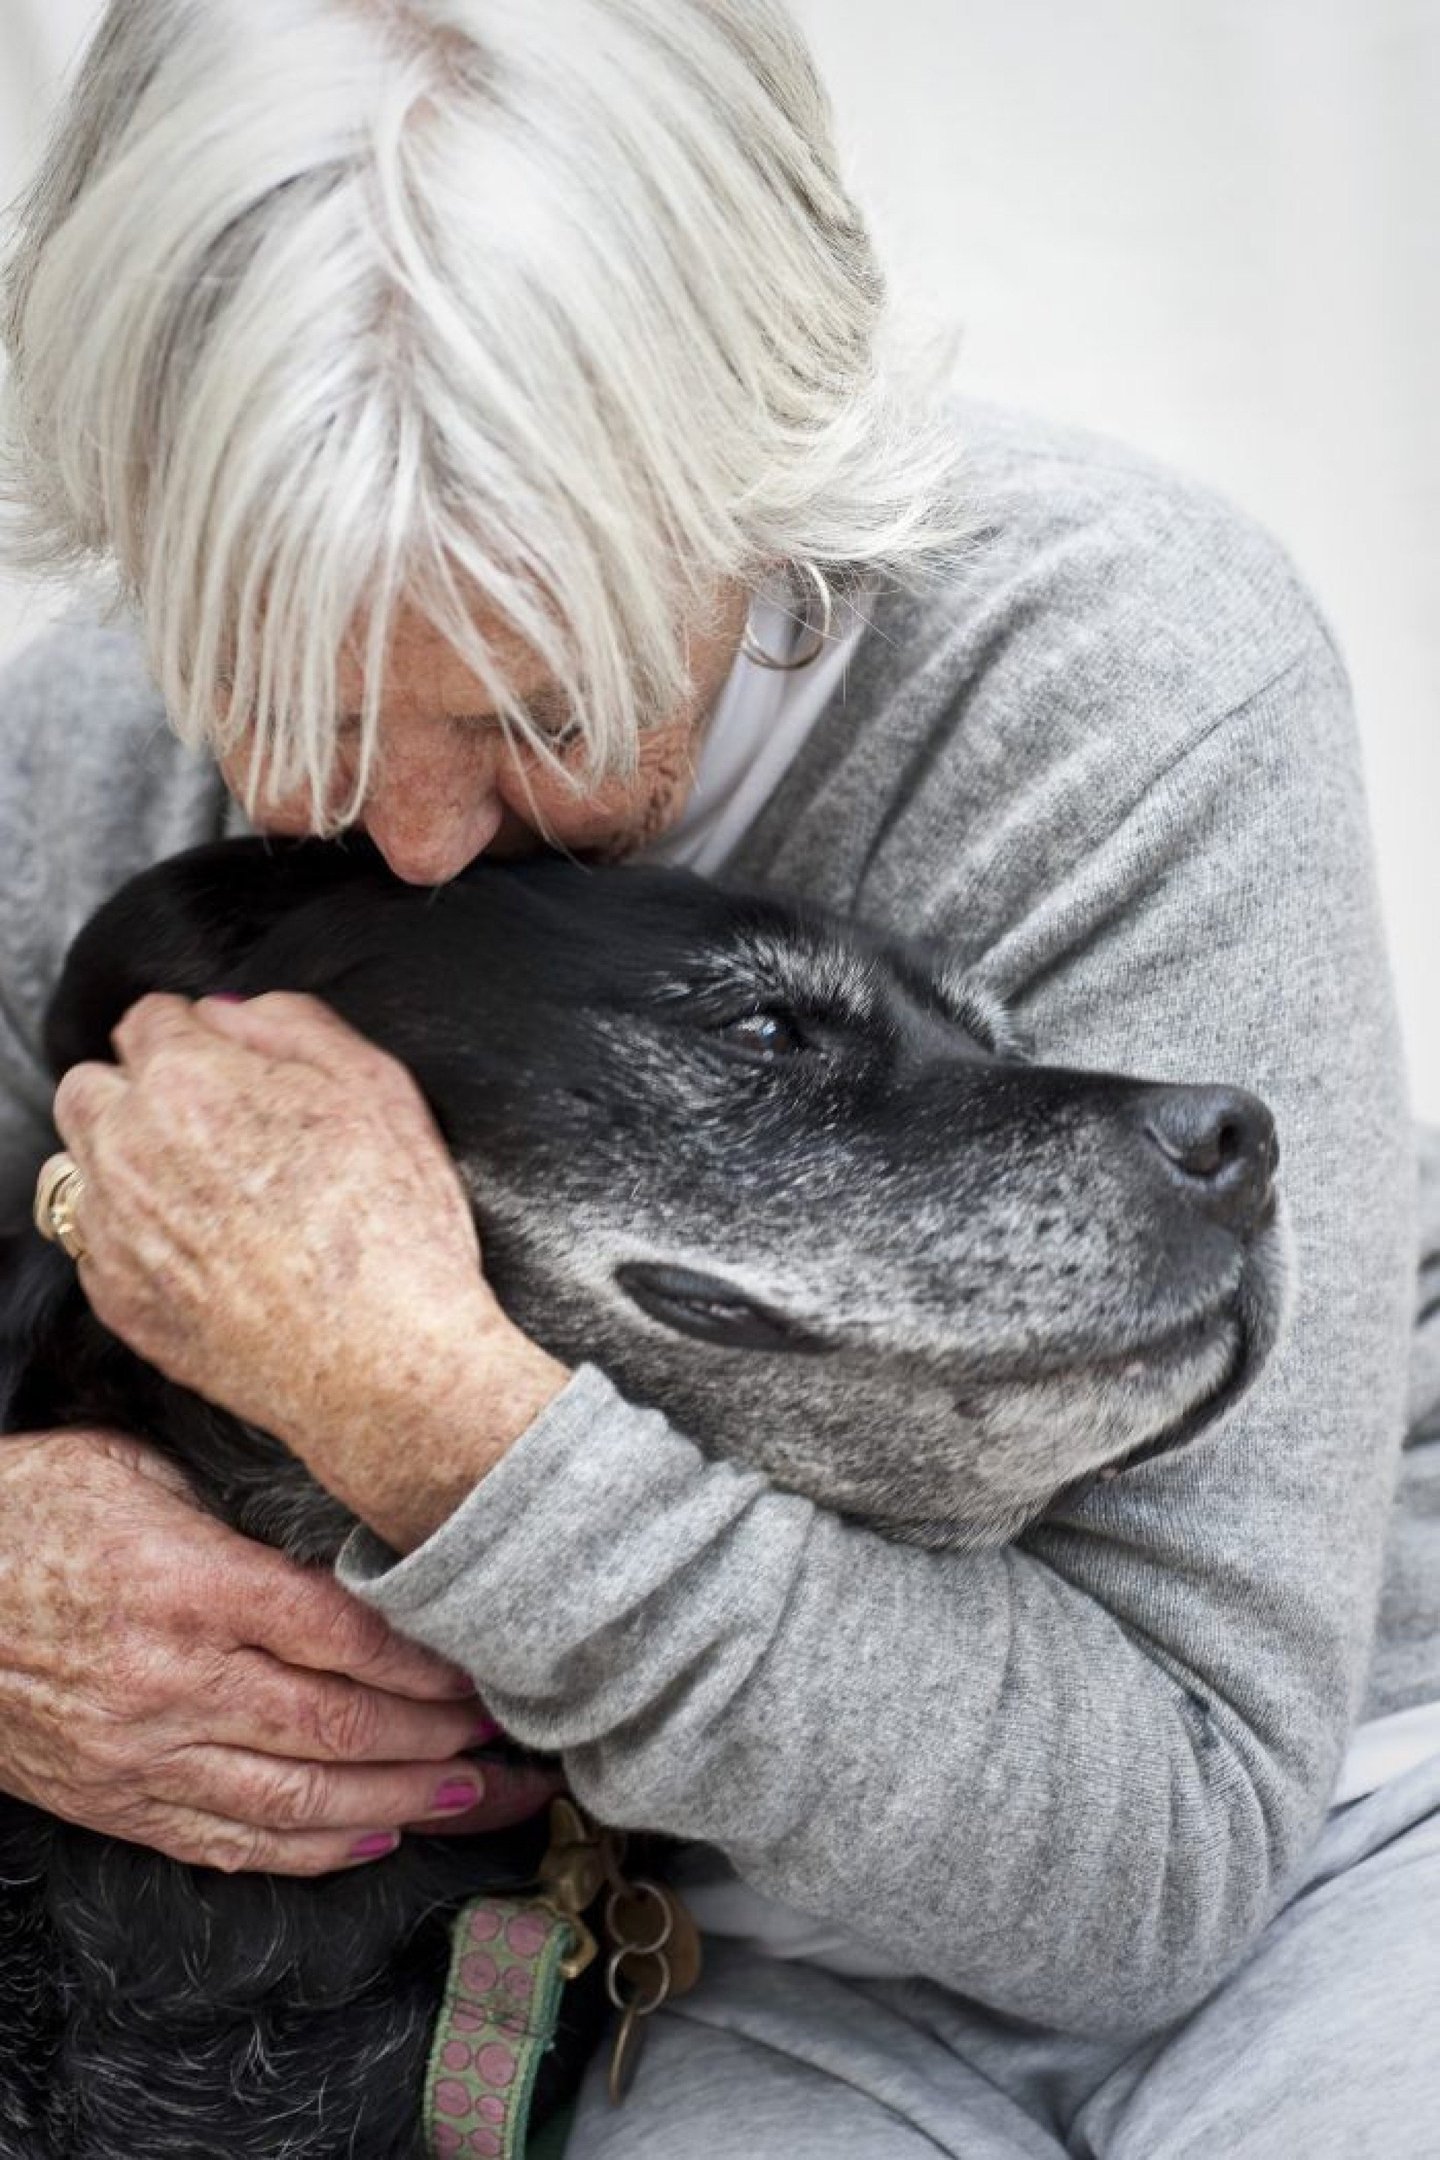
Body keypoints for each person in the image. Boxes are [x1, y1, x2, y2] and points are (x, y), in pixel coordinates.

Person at [0, 2, 1428, 2153]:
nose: (406, 834)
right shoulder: (99, 719)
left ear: (760, 482)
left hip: (1330, 1824)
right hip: (711, 1956)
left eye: (541, 705)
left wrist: (437, 1421)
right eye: (284, 698)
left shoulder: (1127, 674)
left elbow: (1165, 1856)